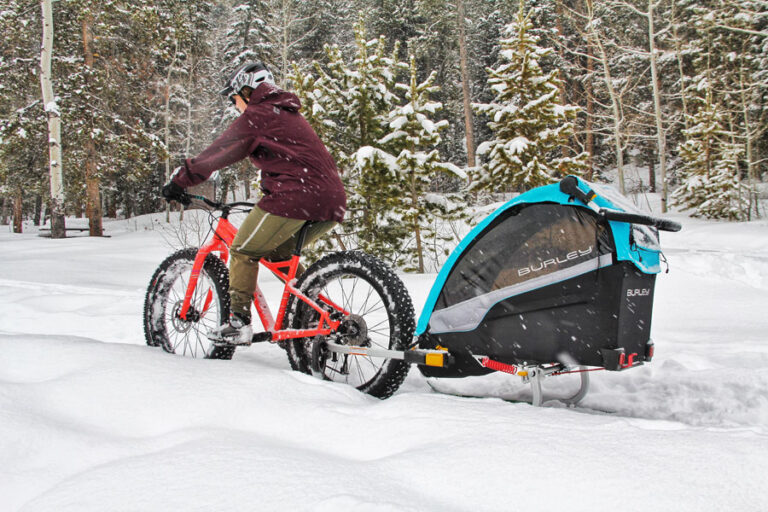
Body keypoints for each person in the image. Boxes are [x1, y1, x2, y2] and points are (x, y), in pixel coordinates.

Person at [162, 61, 346, 345]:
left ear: (246, 91)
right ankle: (313, 315)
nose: (234, 105)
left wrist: (180, 181)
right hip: (331, 200)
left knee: (243, 250)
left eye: (233, 98)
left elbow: (218, 152)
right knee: (277, 255)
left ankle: (238, 322)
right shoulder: (286, 114)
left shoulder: (260, 114)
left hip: (296, 196)